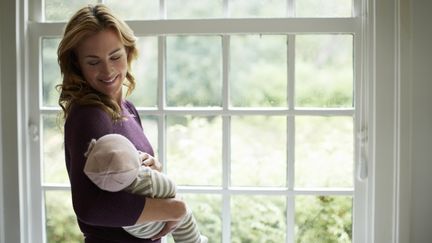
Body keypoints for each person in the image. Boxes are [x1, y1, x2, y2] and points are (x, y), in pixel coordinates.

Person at [57, 4, 202, 242]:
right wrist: (176, 209)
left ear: (128, 52)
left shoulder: (127, 109)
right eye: (93, 62)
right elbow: (90, 207)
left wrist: (150, 169)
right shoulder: (88, 115)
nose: (108, 70)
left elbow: (122, 181)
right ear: (76, 64)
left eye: (115, 56)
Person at [83, 133, 207, 242]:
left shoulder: (107, 185)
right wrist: (156, 174)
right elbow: (171, 188)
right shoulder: (147, 179)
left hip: (134, 228)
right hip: (154, 227)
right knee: (185, 217)